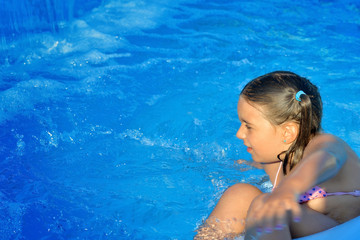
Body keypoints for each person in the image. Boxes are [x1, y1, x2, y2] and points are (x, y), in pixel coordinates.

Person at [194, 71, 360, 239]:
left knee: (265, 206)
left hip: (344, 229)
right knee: (240, 193)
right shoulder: (279, 160)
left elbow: (327, 159)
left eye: (248, 126)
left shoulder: (325, 144)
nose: (239, 134)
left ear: (287, 133)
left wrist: (289, 189)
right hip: (304, 225)